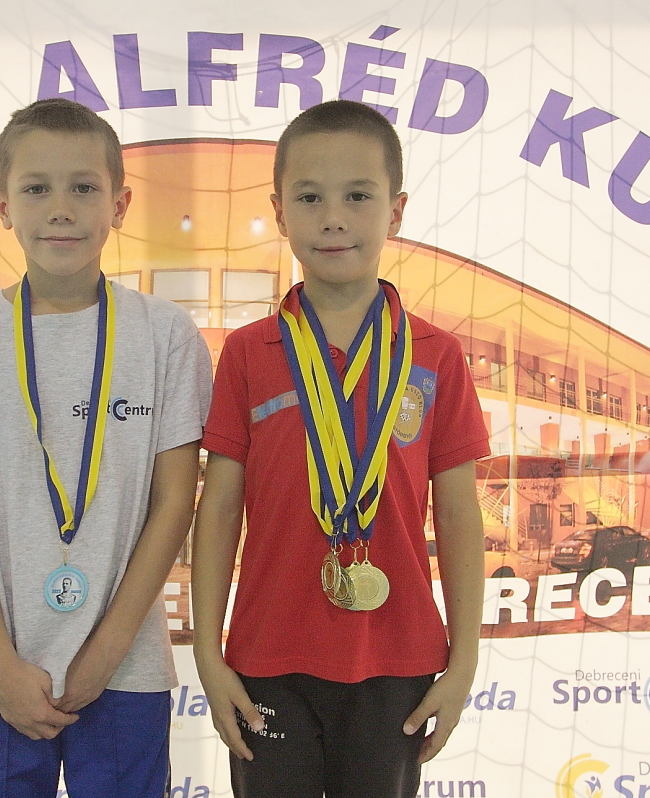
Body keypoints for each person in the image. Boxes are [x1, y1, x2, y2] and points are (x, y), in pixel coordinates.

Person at [0, 98, 213, 798]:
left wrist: (106, 653)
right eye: (37, 188)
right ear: (3, 205)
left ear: (119, 204)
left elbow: (174, 503)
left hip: (125, 669)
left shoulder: (164, 335)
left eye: (83, 187)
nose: (60, 208)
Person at [191, 99, 490, 798]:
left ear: (395, 211)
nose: (333, 218)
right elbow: (219, 509)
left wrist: (465, 661)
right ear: (279, 212)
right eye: (310, 197)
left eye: (358, 196)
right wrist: (208, 651)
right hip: (267, 656)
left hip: (398, 659)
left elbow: (459, 516)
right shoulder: (248, 354)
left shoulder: (435, 355)